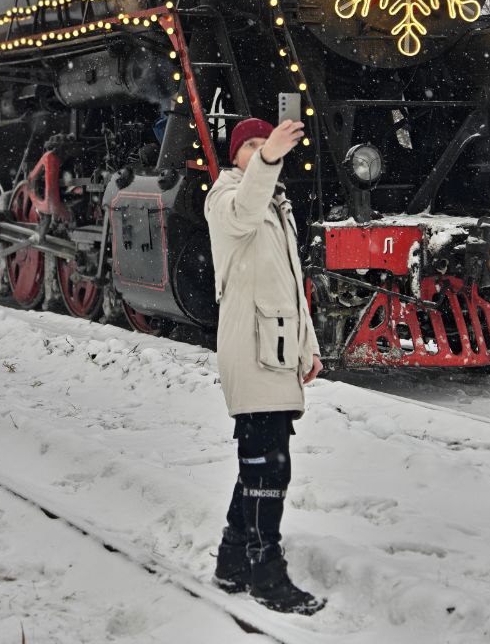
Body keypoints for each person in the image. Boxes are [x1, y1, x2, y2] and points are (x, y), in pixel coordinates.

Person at [204, 117, 324, 614]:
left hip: (275, 347)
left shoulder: (278, 205)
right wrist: (270, 158)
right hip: (249, 348)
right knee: (268, 466)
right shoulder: (225, 198)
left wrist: (308, 346)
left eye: (264, 144)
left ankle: (233, 564)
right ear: (235, 155)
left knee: (261, 461)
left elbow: (292, 285)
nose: (258, 151)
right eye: (249, 146)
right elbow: (242, 214)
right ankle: (266, 575)